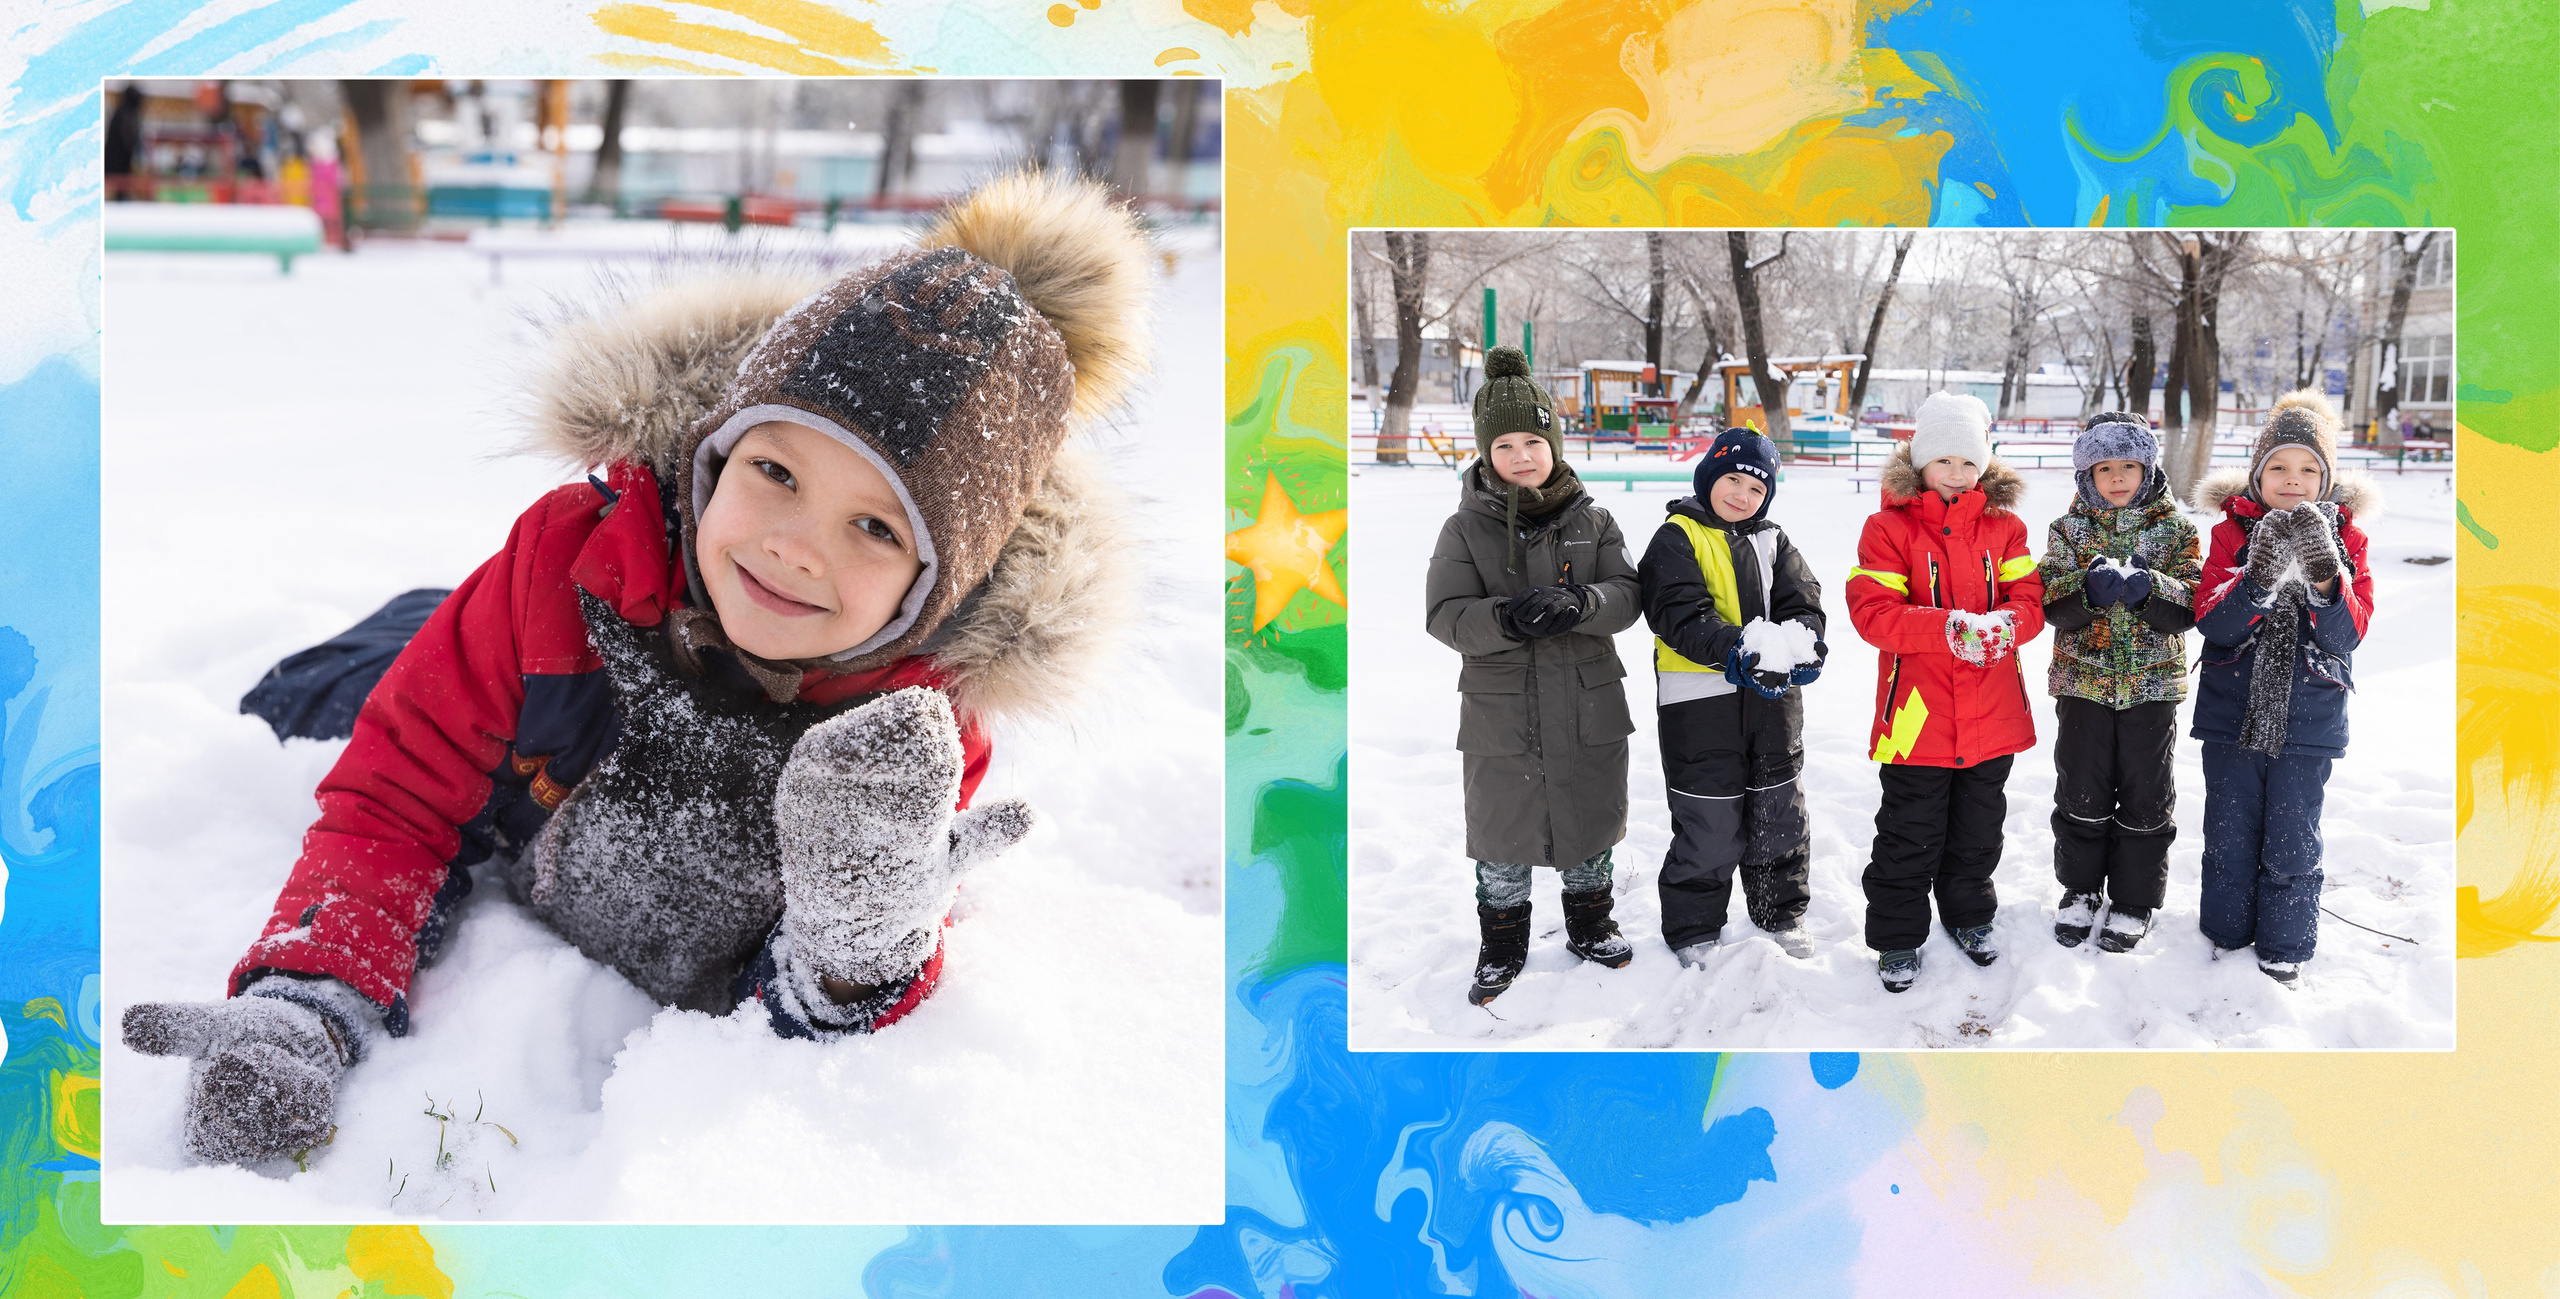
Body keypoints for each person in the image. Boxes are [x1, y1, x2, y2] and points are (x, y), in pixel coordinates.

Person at [120, 172, 1154, 1164]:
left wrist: (859, 946)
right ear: (713, 455)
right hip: (465, 675)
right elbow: (398, 793)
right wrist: (309, 996)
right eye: (776, 471)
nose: (794, 546)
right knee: (312, 695)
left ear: (938, 588)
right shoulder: (569, 567)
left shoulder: (911, 731)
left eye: (875, 527)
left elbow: (829, 988)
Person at [1426, 346, 1642, 1006]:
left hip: (1586, 706)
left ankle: (1591, 923)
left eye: (1533, 442)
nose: (1521, 456)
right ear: (1486, 452)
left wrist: (1584, 603)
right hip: (1502, 716)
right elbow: (1444, 614)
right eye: (1505, 445)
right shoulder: (1464, 529)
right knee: (1503, 833)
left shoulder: (1594, 521)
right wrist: (1505, 617)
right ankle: (1502, 942)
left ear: (1554, 444)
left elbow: (1629, 594)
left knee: (1589, 823)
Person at [1844, 392, 2044, 993]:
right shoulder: (1887, 528)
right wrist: (1948, 630)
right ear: (1920, 462)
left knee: (1978, 830)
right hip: (1917, 716)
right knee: (1909, 833)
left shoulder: (2005, 528)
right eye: (1944, 461)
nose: (1957, 474)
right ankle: (1897, 936)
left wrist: (2006, 626)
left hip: (1992, 712)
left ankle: (1970, 915)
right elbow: (1873, 613)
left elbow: (2030, 602)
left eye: (1968, 462)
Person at [2188, 389, 2379, 986]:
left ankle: (2284, 947)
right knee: (2229, 833)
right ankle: (2225, 934)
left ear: (2327, 480)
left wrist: (2325, 579)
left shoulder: (2348, 541)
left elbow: (2347, 634)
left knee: (2293, 839)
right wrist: (2259, 578)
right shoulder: (2231, 534)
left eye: (2308, 470)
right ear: (2257, 474)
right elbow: (2215, 623)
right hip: (2232, 714)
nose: (2292, 479)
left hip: (2309, 718)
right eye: (2278, 467)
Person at [1636, 428, 1826, 966]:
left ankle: (1779, 912)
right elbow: (1679, 614)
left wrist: (1804, 645)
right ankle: (1694, 926)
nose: (1743, 496)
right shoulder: (1677, 536)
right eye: (1733, 481)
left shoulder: (1774, 541)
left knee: (1778, 812)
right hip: (1700, 708)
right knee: (1709, 820)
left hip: (1773, 703)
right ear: (1709, 478)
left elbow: (1803, 601)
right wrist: (1737, 650)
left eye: (1757, 489)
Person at [2035, 413, 2201, 953]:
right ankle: (2080, 890)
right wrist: (2085, 590)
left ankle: (2134, 899)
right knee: (2080, 790)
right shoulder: (2068, 530)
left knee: (2146, 794)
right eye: (2103, 468)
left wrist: (2153, 589)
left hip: (2152, 689)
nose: (2117, 478)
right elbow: (2048, 598)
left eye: (2128, 465)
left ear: (2148, 469)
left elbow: (2194, 600)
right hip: (2082, 686)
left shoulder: (2177, 530)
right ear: (2087, 475)